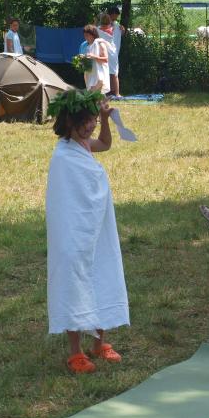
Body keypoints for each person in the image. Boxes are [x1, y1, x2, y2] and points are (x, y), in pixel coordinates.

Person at [45, 89, 129, 374]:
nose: (91, 126)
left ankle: (99, 344)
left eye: (93, 119)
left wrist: (105, 119)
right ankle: (75, 352)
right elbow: (65, 197)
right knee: (74, 279)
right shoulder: (63, 154)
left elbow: (105, 143)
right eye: (86, 121)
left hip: (96, 225)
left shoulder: (86, 143)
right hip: (73, 230)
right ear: (69, 122)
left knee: (101, 272)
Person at [79, 25, 111, 94]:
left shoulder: (100, 43)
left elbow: (106, 59)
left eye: (87, 35)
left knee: (95, 95)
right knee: (94, 96)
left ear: (93, 35)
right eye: (85, 35)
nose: (86, 37)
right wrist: (83, 58)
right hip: (90, 74)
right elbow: (88, 60)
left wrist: (94, 56)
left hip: (99, 75)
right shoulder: (86, 45)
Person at [107, 6, 124, 98]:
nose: (117, 17)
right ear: (112, 14)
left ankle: (114, 91)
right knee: (110, 72)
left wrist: (123, 30)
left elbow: (121, 34)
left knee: (113, 72)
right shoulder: (104, 25)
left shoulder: (117, 24)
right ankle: (112, 91)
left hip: (114, 52)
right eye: (116, 15)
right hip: (107, 52)